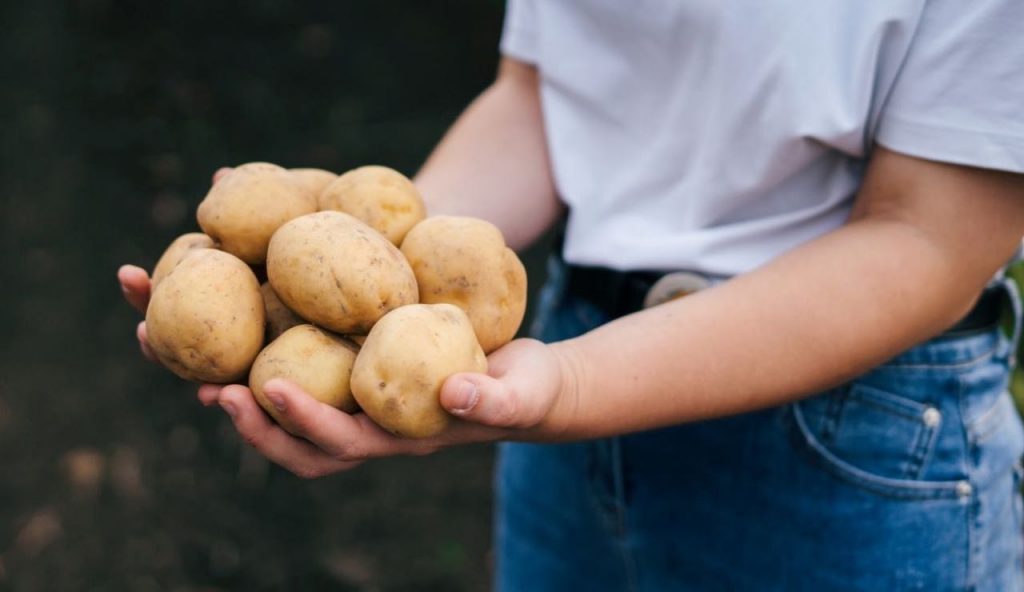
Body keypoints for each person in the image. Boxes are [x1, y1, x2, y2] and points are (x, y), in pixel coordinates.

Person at [120, 1, 1024, 589]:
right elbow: (545, 98)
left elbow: (930, 238)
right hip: (563, 362)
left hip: (851, 444)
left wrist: (578, 386)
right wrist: (382, 281)